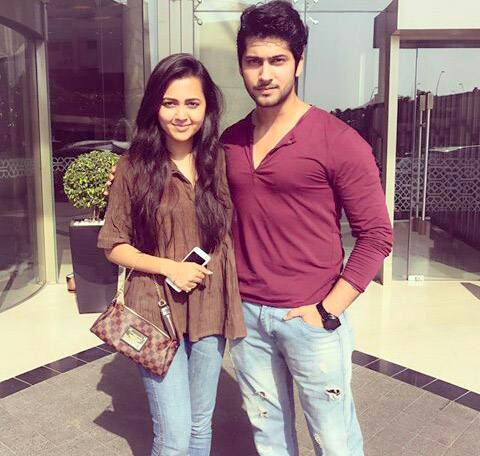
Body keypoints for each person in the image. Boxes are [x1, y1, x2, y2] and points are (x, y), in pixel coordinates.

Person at [220, 1, 394, 455]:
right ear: (241, 66)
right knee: (269, 438)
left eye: (277, 60)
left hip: (313, 316)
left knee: (334, 441)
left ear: (298, 63)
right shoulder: (230, 142)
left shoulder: (338, 141)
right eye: (254, 61)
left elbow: (377, 235)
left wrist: (328, 310)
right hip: (247, 317)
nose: (265, 74)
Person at [98, 53, 246, 456]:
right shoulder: (133, 167)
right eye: (170, 103)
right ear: (155, 106)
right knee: (175, 435)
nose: (181, 115)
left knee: (200, 425)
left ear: (207, 107)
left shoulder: (220, 162)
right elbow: (113, 245)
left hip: (210, 306)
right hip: (155, 309)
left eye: (192, 103)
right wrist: (170, 268)